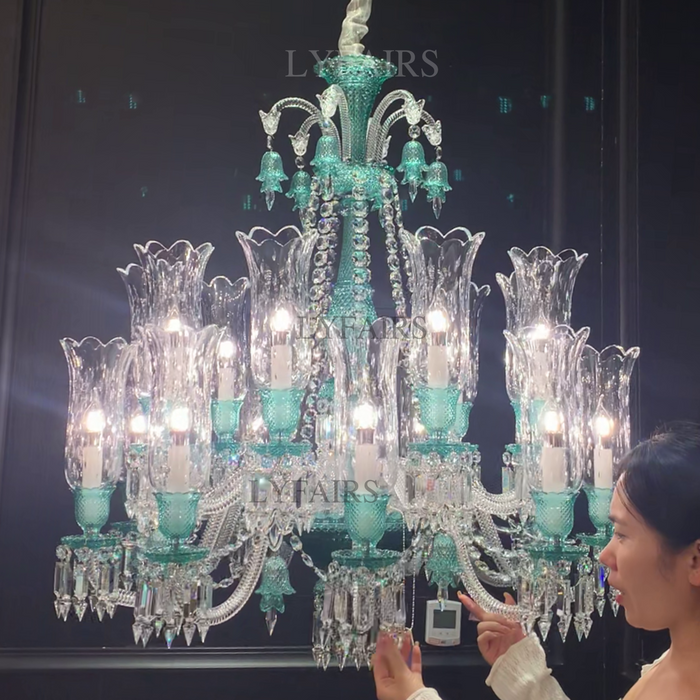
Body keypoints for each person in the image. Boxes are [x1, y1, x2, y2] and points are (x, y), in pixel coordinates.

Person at [372, 424, 700, 700]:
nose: (604, 555)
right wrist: (520, 667)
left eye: (623, 534)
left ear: (696, 561)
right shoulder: (676, 663)